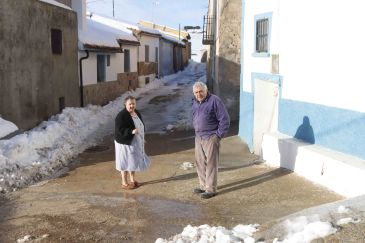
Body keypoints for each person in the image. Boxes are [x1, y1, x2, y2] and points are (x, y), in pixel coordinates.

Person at [192, 81, 230, 199]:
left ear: (206, 90)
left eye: (201, 91)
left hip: (211, 137)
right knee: (200, 163)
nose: (199, 94)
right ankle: (203, 186)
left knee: (211, 164)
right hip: (199, 137)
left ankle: (211, 189)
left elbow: (225, 120)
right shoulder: (195, 102)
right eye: (196, 92)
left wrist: (218, 136)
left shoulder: (214, 100)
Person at [114, 95, 150, 189]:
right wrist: (131, 131)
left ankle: (132, 180)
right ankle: (124, 183)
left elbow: (140, 125)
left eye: (133, 103)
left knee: (132, 161)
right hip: (124, 143)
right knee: (124, 162)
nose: (132, 106)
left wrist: (142, 138)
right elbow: (119, 129)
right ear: (125, 104)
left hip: (134, 142)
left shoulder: (136, 112)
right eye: (130, 104)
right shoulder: (121, 116)